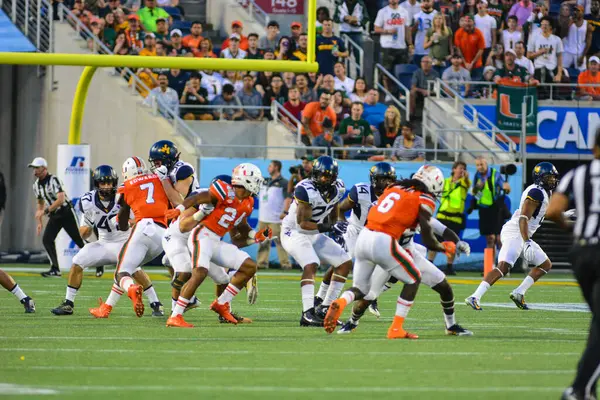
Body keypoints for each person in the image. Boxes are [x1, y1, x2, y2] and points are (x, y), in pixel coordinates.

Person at [334, 164, 471, 334]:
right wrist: (444, 247)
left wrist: (457, 242)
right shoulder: (417, 199)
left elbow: (436, 225)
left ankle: (450, 326)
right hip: (389, 251)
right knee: (370, 294)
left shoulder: (397, 192)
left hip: (404, 250)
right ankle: (352, 323)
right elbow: (428, 233)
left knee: (443, 285)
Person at [165, 164, 269, 327]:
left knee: (249, 267)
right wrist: (179, 209)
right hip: (202, 235)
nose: (258, 184)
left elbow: (242, 227)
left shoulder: (248, 202)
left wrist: (254, 235)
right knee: (200, 272)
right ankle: (175, 315)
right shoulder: (225, 190)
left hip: (215, 241)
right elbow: (198, 199)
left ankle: (222, 304)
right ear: (245, 180)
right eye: (255, 180)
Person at [51, 165, 162, 316]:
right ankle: (68, 303)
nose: (107, 186)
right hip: (103, 243)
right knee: (77, 262)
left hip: (125, 241)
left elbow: (138, 219)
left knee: (133, 269)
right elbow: (84, 231)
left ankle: (155, 303)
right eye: (103, 183)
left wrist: (129, 222)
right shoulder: (87, 201)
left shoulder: (124, 194)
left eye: (109, 183)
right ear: (96, 184)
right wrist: (85, 230)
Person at [546, 130, 600, 400]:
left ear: (594, 147)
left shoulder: (577, 174)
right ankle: (579, 389)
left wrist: (574, 229)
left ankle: (586, 388)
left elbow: (553, 211)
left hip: (581, 253)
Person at [466, 162, 559, 311]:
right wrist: (527, 241)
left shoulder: (545, 192)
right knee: (504, 266)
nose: (553, 180)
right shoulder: (536, 192)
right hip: (516, 232)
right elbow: (523, 218)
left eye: (554, 178)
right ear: (540, 177)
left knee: (545, 264)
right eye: (549, 177)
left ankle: (519, 292)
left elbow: (540, 214)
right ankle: (475, 296)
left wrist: (562, 215)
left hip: (523, 234)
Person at [89, 157, 167, 319]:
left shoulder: (127, 187)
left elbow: (123, 224)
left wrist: (119, 221)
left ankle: (131, 288)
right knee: (128, 268)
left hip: (143, 228)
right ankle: (107, 308)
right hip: (162, 234)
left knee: (121, 272)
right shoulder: (160, 178)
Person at [280, 156, 352, 327]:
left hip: (314, 232)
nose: (323, 179)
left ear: (334, 177)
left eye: (328, 176)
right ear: (314, 174)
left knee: (344, 262)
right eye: (321, 175)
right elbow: (302, 225)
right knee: (311, 263)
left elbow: (333, 205)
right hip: (294, 232)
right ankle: (307, 313)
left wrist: (335, 224)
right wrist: (329, 228)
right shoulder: (304, 189)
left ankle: (326, 308)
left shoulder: (339, 188)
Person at [30, 157, 86, 278]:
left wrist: (45, 211)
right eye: (34, 168)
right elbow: (40, 203)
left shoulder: (53, 179)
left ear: (44, 169)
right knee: (47, 239)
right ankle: (55, 269)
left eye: (37, 168)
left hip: (66, 212)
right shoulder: (36, 186)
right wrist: (39, 222)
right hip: (55, 214)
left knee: (79, 239)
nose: (35, 170)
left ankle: (99, 262)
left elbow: (60, 199)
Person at [428, 161, 471, 275]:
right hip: (442, 215)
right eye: (460, 168)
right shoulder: (445, 182)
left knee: (452, 243)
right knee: (435, 241)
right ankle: (429, 263)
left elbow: (467, 182)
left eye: (464, 169)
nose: (462, 171)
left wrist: (466, 177)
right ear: (453, 169)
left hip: (455, 218)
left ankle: (449, 266)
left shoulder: (465, 183)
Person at [471, 156, 511, 263]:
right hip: (484, 210)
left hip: (496, 209)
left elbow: (505, 188)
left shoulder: (495, 174)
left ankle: (504, 265)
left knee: (498, 239)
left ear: (486, 164)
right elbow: (476, 194)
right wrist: (477, 189)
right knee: (490, 239)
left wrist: (506, 188)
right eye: (477, 165)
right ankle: (490, 266)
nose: (480, 167)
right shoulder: (476, 176)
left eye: (481, 165)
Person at [257, 161, 291, 270]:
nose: (268, 168)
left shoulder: (284, 182)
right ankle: (262, 263)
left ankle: (285, 264)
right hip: (263, 218)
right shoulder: (264, 181)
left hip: (276, 218)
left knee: (280, 242)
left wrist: (285, 212)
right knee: (263, 242)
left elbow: (288, 198)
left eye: (270, 166)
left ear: (276, 168)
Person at [374, 0, 413, 94]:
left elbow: (407, 29)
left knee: (400, 71)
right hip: (387, 45)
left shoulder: (404, 11)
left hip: (401, 46)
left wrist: (410, 44)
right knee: (386, 71)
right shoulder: (383, 11)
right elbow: (376, 28)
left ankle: (400, 93)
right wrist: (387, 31)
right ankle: (387, 92)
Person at [527, 16, 564, 84]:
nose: (544, 26)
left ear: (550, 26)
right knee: (541, 93)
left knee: (553, 92)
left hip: (552, 69)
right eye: (542, 24)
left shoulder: (557, 39)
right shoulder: (534, 38)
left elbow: (560, 58)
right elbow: (528, 56)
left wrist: (559, 74)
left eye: (546, 25)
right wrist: (539, 52)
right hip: (538, 69)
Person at [562, 5, 592, 71]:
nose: (575, 12)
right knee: (562, 70)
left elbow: (588, 42)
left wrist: (583, 56)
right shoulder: (569, 21)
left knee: (582, 73)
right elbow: (562, 35)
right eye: (575, 10)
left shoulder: (587, 25)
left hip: (580, 52)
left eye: (578, 10)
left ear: (582, 13)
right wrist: (570, 23)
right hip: (567, 51)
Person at [413, 0, 439, 64]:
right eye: (424, 1)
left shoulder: (438, 15)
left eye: (428, 1)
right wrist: (415, 26)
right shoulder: (416, 16)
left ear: (432, 1)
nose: (426, 3)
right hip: (419, 49)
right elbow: (411, 32)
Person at [475, 0, 498, 64]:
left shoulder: (492, 19)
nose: (479, 4)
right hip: (476, 48)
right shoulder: (473, 18)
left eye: (482, 2)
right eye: (478, 3)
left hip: (488, 47)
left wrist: (492, 51)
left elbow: (494, 36)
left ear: (486, 5)